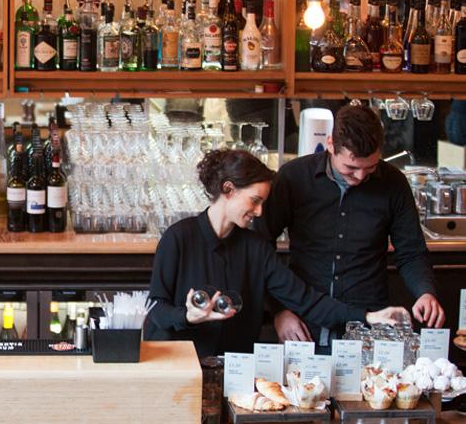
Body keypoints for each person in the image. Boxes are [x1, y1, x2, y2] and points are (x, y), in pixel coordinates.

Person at [144, 149, 407, 356]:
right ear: (228, 189)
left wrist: (367, 317)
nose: (259, 213)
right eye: (255, 201)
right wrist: (188, 316)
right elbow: (157, 308)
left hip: (236, 374)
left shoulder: (255, 248)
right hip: (180, 366)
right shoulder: (179, 237)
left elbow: (307, 300)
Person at [259, 104, 444, 347]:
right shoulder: (294, 177)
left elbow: (411, 252)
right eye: (351, 168)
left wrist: (424, 291)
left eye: (370, 168)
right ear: (330, 145)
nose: (359, 178)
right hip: (303, 320)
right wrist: (278, 311)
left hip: (370, 322)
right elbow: (260, 247)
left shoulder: (393, 184)